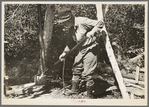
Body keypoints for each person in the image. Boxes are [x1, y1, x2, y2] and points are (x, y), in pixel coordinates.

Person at [56, 8, 104, 98]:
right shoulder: (71, 29)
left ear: (70, 19)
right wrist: (64, 53)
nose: (63, 24)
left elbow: (100, 23)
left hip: (91, 48)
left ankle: (90, 95)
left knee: (87, 73)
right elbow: (70, 43)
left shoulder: (82, 21)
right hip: (80, 49)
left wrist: (92, 31)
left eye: (64, 22)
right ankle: (74, 90)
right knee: (76, 69)